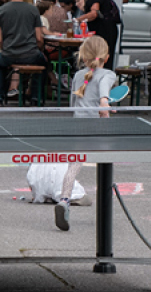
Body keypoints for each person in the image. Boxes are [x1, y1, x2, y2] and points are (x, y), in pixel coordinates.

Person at [44, 36, 117, 231]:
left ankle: (65, 200)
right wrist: (104, 105)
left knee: (73, 167)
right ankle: (105, 211)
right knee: (106, 168)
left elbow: (73, 105)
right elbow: (103, 97)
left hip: (77, 126)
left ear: (83, 56)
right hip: (98, 128)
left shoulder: (78, 76)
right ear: (106, 57)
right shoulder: (108, 74)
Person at [0, 0, 48, 102]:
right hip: (30, 54)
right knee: (44, 62)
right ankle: (36, 96)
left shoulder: (2, 10)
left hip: (9, 54)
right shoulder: (33, 10)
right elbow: (39, 37)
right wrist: (38, 48)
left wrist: (5, 49)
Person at [68, 0, 123, 69]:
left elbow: (94, 13)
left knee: (103, 60)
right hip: (101, 30)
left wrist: (78, 19)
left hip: (105, 31)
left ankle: (104, 82)